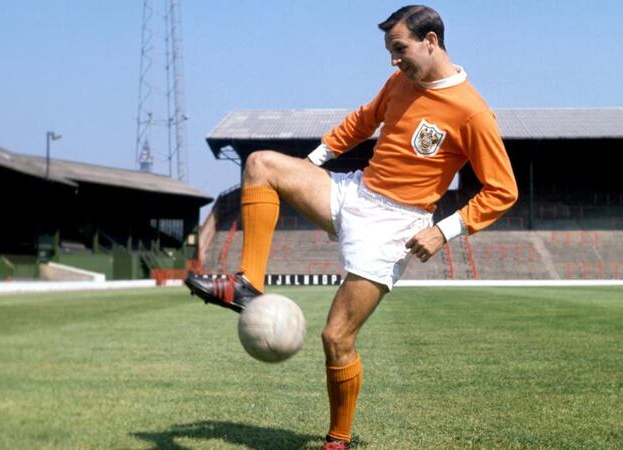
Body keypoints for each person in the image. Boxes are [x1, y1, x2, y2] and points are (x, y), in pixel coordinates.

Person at [185, 5, 518, 449]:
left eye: (399, 49)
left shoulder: (472, 112)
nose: (393, 61)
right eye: (389, 52)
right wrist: (309, 167)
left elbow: (503, 189)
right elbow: (363, 122)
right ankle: (247, 283)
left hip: (394, 226)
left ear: (431, 41)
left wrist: (444, 230)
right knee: (260, 164)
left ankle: (338, 439)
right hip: (353, 192)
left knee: (336, 337)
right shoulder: (401, 81)